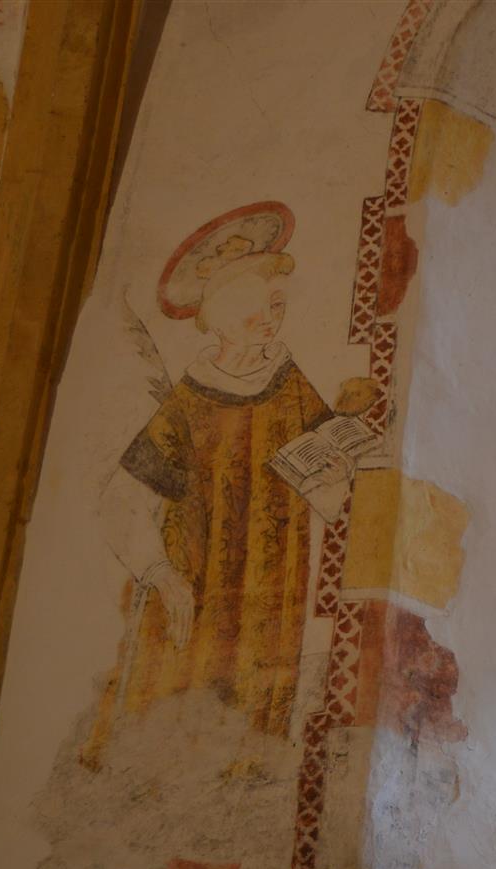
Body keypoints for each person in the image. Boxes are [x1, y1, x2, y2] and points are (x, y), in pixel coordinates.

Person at [84, 203, 366, 766]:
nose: (269, 319)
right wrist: (161, 575)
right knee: (172, 732)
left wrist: (338, 476)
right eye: (254, 308)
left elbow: (324, 486)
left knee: (251, 741)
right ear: (216, 314)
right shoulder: (188, 402)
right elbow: (123, 498)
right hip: (195, 583)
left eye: (277, 306)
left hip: (271, 590)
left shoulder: (289, 384)